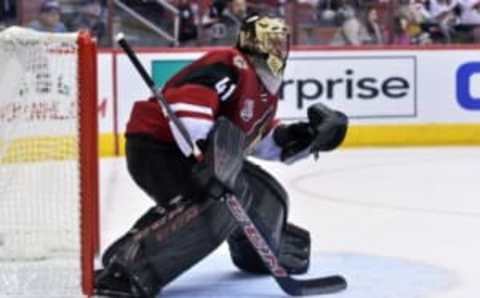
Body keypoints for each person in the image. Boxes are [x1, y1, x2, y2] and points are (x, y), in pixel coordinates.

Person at [95, 14, 348, 298]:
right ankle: (128, 269)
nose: (279, 49)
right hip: (159, 148)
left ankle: (263, 251)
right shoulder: (230, 62)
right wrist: (208, 155)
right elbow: (188, 102)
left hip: (195, 154)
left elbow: (258, 140)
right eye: (271, 41)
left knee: (260, 192)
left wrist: (307, 138)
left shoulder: (265, 90)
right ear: (252, 42)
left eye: (282, 42)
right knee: (220, 202)